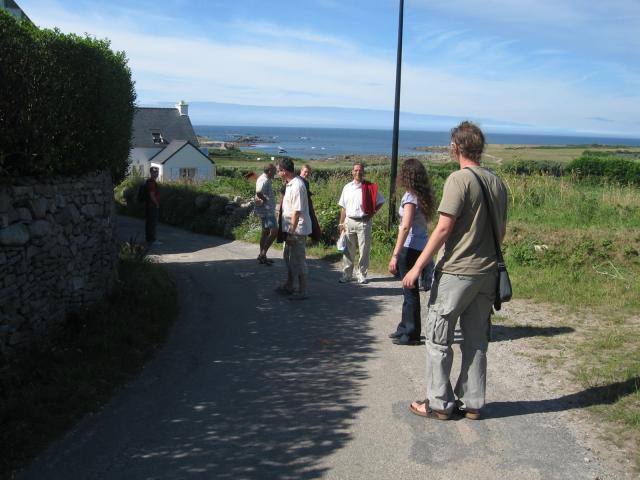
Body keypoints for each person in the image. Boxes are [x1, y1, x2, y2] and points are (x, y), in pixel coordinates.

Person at [403, 121, 508, 420]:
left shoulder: (458, 180)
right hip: (486, 274)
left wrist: (418, 266)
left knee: (439, 338)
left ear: (457, 147)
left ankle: (438, 403)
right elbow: (500, 232)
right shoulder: (497, 183)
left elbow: (443, 229)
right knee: (476, 341)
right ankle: (473, 403)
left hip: (456, 273)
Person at [387, 159, 435, 346]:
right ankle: (404, 327)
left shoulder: (410, 197)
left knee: (410, 291)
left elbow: (405, 226)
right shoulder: (422, 196)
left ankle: (411, 332)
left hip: (410, 246)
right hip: (421, 244)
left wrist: (395, 254)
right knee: (410, 290)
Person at [337, 163, 384, 284]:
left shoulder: (369, 187)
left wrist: (371, 214)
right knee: (348, 250)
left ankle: (362, 274)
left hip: (363, 222)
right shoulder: (347, 187)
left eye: (360, 170)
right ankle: (347, 274)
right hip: (349, 221)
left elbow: (381, 201)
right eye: (356, 170)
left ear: (363, 172)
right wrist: (341, 223)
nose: (358, 172)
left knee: (364, 250)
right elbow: (343, 208)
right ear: (352, 172)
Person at [276, 158, 311, 300]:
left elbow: (297, 212)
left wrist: (290, 233)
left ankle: (302, 292)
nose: (278, 173)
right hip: (290, 228)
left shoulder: (297, 185)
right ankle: (290, 285)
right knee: (288, 258)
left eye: (279, 171)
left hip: (296, 230)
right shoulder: (290, 183)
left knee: (298, 259)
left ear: (284, 171)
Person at [254, 163, 278, 265]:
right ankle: (263, 254)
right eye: (274, 171)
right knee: (275, 232)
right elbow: (258, 191)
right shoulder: (264, 179)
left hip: (264, 210)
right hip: (267, 210)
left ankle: (262, 256)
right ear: (269, 171)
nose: (275, 173)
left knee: (265, 232)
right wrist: (265, 200)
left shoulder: (264, 178)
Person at [144, 166, 161, 245]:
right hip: (152, 206)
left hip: (149, 205)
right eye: (154, 172)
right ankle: (152, 239)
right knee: (152, 223)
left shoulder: (148, 181)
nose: (156, 174)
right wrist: (157, 204)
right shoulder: (152, 182)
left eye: (157, 172)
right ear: (151, 173)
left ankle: (149, 239)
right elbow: (152, 195)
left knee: (149, 223)